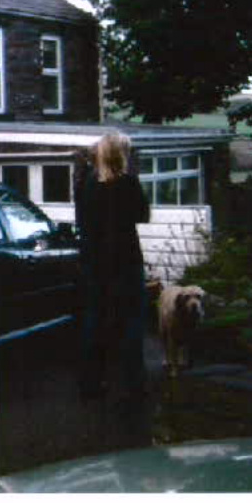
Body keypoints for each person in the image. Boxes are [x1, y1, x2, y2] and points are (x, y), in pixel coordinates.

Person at [75, 131, 150, 401]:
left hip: (94, 261)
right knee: (131, 322)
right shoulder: (127, 183)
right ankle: (133, 384)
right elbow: (143, 214)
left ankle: (90, 384)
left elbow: (81, 221)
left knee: (94, 321)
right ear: (122, 154)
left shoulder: (86, 183)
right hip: (125, 261)